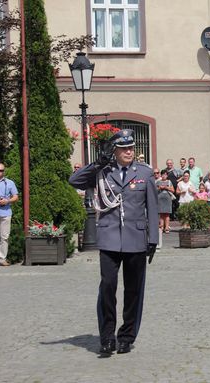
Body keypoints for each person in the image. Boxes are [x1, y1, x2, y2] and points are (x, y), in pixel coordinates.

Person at [68, 129, 158, 355]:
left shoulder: (144, 173)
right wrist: (97, 163)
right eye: (124, 148)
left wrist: (153, 239)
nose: (129, 151)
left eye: (131, 147)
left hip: (136, 239)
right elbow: (74, 181)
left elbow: (153, 208)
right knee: (107, 287)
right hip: (109, 239)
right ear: (114, 151)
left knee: (134, 291)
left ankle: (126, 336)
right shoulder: (102, 172)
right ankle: (107, 337)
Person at [0, 162, 19, 267]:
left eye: (1, 170)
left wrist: (7, 201)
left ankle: (2, 259)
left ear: (4, 172)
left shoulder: (10, 183)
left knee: (4, 237)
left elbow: (15, 197)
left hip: (5, 212)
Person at [156, 169, 174, 234]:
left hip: (167, 199)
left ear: (167, 175)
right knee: (161, 214)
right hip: (160, 199)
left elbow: (173, 190)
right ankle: (161, 227)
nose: (164, 176)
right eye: (162, 174)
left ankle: (166, 228)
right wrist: (159, 188)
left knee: (167, 214)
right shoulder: (158, 182)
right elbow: (154, 190)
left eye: (165, 174)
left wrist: (166, 188)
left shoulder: (169, 182)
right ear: (161, 175)